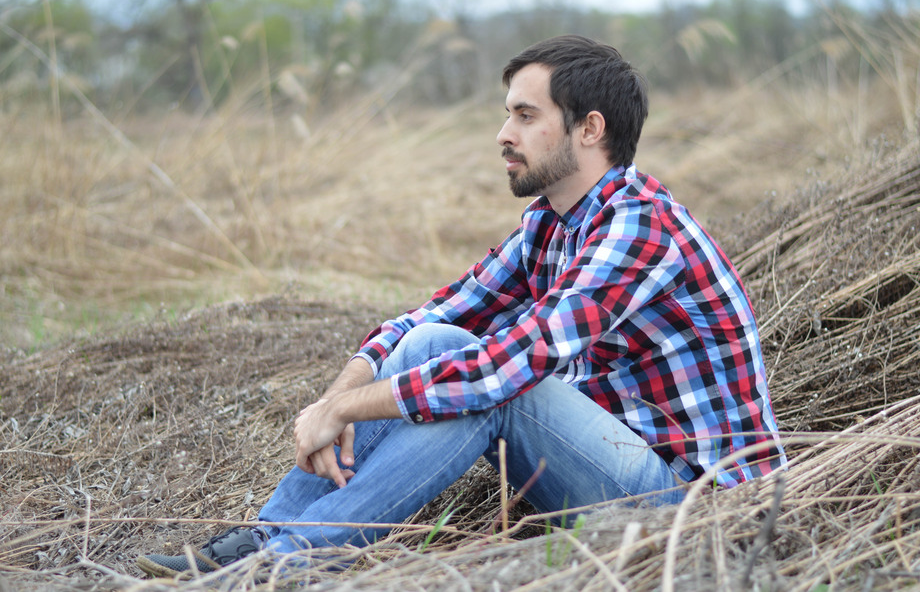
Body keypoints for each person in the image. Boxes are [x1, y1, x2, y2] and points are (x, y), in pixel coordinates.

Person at [136, 35, 786, 578]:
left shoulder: (641, 229)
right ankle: (266, 537)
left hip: (697, 510)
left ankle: (290, 564)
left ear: (590, 129)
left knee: (497, 390)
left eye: (526, 116)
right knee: (431, 345)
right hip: (613, 467)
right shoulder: (550, 223)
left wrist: (344, 411)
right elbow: (431, 317)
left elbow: (505, 370)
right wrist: (339, 393)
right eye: (507, 115)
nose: (504, 134)